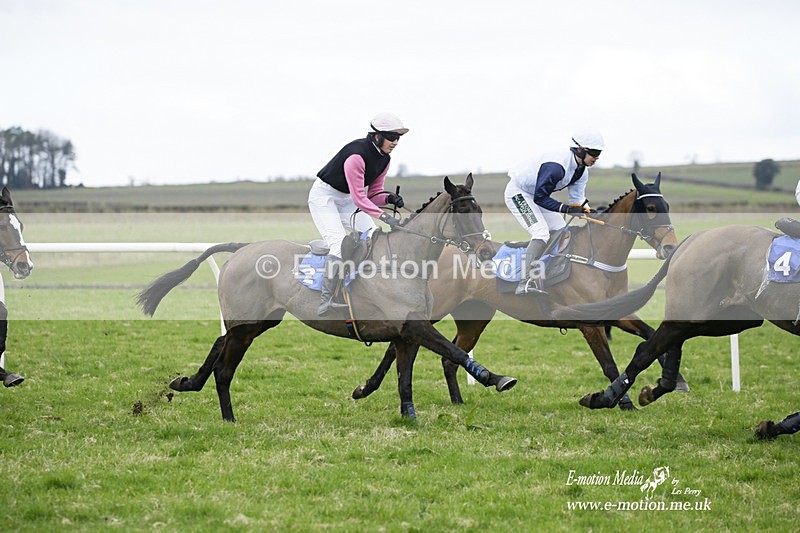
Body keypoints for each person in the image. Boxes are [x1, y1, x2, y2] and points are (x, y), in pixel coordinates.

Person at [308, 112, 408, 316]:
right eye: (391, 137)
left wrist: (388, 199)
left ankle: (367, 288)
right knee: (339, 243)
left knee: (372, 236)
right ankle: (326, 300)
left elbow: (372, 194)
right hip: (325, 197)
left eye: (398, 138)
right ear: (377, 136)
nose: (395, 142)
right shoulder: (356, 156)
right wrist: (383, 215)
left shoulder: (384, 159)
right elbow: (360, 199)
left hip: (347, 199)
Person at [505, 127, 605, 295]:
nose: (596, 158)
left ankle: (550, 272)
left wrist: (591, 212)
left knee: (562, 231)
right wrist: (566, 209)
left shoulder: (582, 172)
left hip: (538, 195)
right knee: (541, 233)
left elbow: (577, 201)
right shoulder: (556, 167)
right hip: (519, 193)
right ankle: (524, 281)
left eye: (599, 153)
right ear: (579, 150)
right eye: (594, 153)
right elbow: (540, 198)